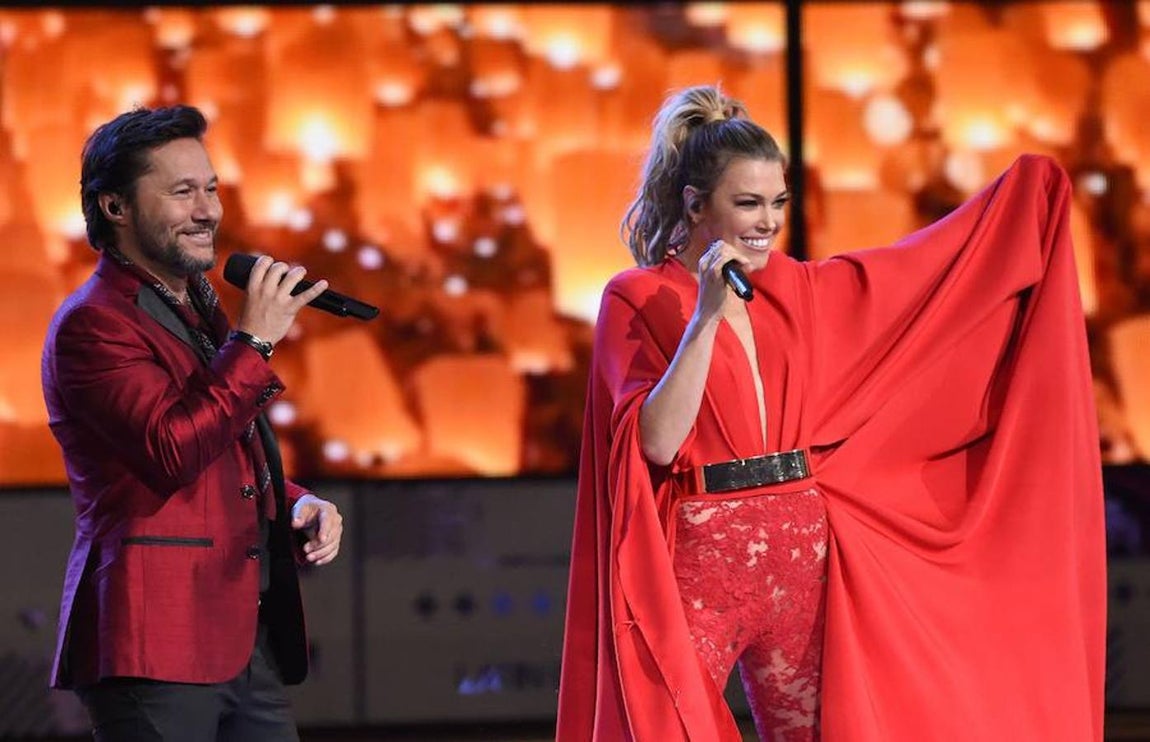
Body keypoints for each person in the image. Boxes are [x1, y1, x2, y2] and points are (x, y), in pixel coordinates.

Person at [556, 85, 1105, 741]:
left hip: (807, 566)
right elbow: (656, 440)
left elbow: (922, 283)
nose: (767, 222)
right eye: (748, 203)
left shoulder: (798, 288)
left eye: (778, 203)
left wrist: (1023, 205)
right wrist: (703, 318)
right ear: (696, 204)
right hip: (701, 576)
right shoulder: (639, 298)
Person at [41, 104, 344, 741]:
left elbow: (219, 452)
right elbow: (173, 448)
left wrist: (295, 502)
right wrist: (254, 344)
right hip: (156, 642)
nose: (208, 210)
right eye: (182, 192)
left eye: (211, 188)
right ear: (115, 208)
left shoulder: (193, 308)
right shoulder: (93, 324)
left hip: (242, 639)